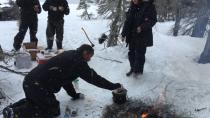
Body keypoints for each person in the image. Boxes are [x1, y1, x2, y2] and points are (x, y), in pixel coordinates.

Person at [3, 44, 122, 118]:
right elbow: (94, 79)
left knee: (36, 101)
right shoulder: (78, 62)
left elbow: (65, 79)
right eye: (90, 56)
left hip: (30, 82)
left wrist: (74, 95)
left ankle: (12, 109)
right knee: (53, 110)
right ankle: (16, 113)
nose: (90, 59)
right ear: (85, 53)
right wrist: (113, 86)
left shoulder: (71, 55)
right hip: (37, 85)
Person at [121, 0, 157, 77]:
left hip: (142, 35)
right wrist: (123, 34)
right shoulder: (132, 6)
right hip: (132, 35)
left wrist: (142, 27)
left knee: (140, 54)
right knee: (131, 53)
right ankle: (133, 68)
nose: (134, 0)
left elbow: (153, 20)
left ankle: (138, 72)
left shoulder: (149, 6)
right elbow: (127, 21)